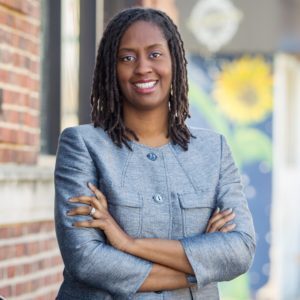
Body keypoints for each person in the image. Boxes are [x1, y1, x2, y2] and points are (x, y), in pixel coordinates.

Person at [54, 7, 255, 300]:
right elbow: (86, 259)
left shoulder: (214, 150)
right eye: (127, 57)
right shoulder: (83, 145)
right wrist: (202, 265)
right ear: (112, 68)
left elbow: (240, 251)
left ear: (175, 62)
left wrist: (127, 243)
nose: (142, 67)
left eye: (155, 54)